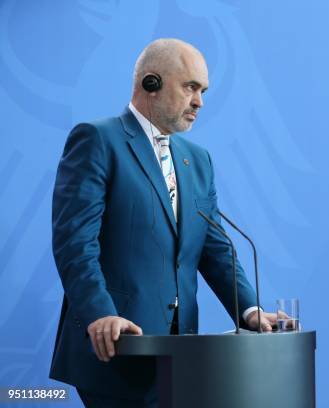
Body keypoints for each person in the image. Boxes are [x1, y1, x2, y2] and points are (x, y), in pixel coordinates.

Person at [49, 38, 277, 407]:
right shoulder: (97, 140)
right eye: (190, 87)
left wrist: (250, 310)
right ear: (150, 83)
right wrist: (101, 313)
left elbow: (214, 247)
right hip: (117, 345)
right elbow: (75, 242)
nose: (200, 101)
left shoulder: (197, 159)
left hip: (180, 354)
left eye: (203, 90)